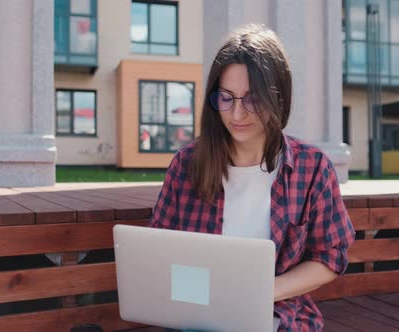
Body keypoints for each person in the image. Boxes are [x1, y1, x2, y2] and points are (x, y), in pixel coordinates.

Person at [148, 24, 356, 331]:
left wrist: (261, 294)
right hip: (199, 319)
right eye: (226, 98)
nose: (236, 114)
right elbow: (159, 252)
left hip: (278, 319)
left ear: (278, 99)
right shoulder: (186, 165)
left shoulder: (312, 169)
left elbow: (331, 257)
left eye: (252, 99)